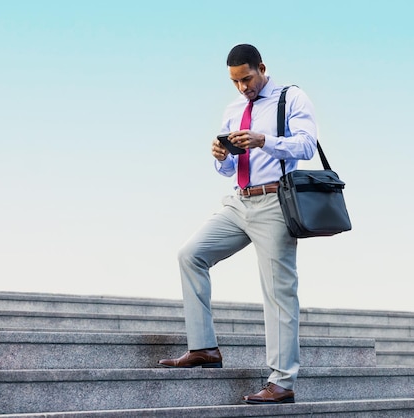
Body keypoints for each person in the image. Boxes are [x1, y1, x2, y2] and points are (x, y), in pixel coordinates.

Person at [158, 44, 318, 405]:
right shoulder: (233, 110)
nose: (243, 88)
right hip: (238, 201)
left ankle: (282, 382)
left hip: (275, 201)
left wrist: (265, 141)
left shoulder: (290, 98)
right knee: (191, 255)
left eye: (247, 78)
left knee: (278, 293)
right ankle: (204, 348)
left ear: (261, 68)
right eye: (235, 82)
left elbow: (307, 146)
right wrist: (220, 157)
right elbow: (229, 168)